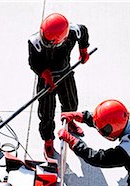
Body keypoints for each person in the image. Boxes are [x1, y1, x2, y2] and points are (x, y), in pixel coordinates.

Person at [28, 12, 90, 159]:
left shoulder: (74, 31)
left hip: (65, 74)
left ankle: (70, 123)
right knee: (46, 113)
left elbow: (84, 32)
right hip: (46, 80)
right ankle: (48, 141)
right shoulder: (35, 42)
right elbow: (33, 63)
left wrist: (83, 51)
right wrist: (45, 74)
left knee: (71, 103)